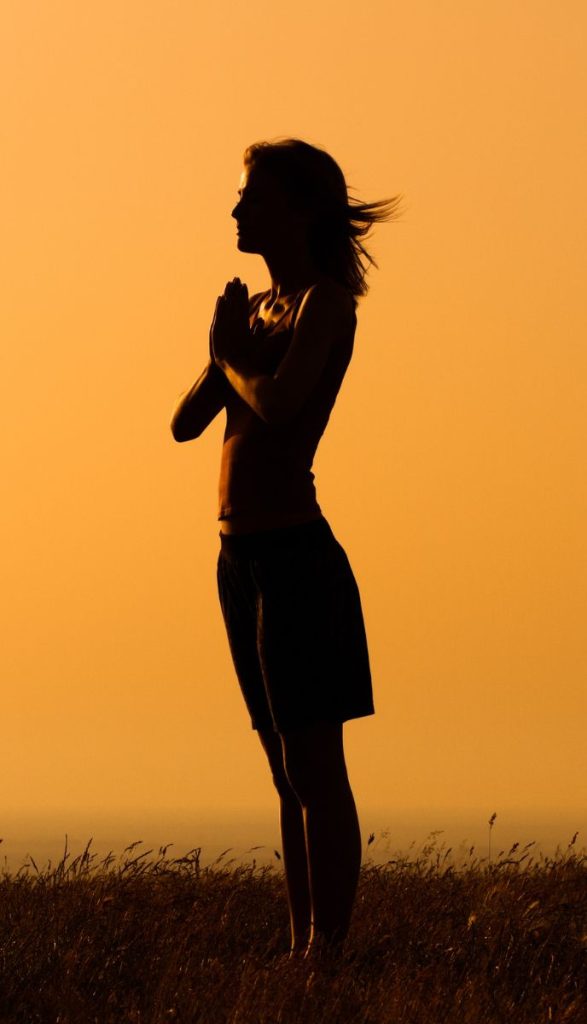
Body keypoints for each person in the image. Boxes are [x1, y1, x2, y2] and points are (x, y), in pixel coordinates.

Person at [170, 138, 402, 958]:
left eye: (252, 199)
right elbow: (183, 423)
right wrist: (223, 342)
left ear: (299, 210)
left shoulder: (324, 304)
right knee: (280, 772)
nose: (236, 211)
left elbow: (279, 402)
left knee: (314, 771)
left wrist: (235, 353)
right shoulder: (263, 307)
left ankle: (325, 956)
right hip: (239, 560)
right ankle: (301, 947)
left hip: (298, 558)